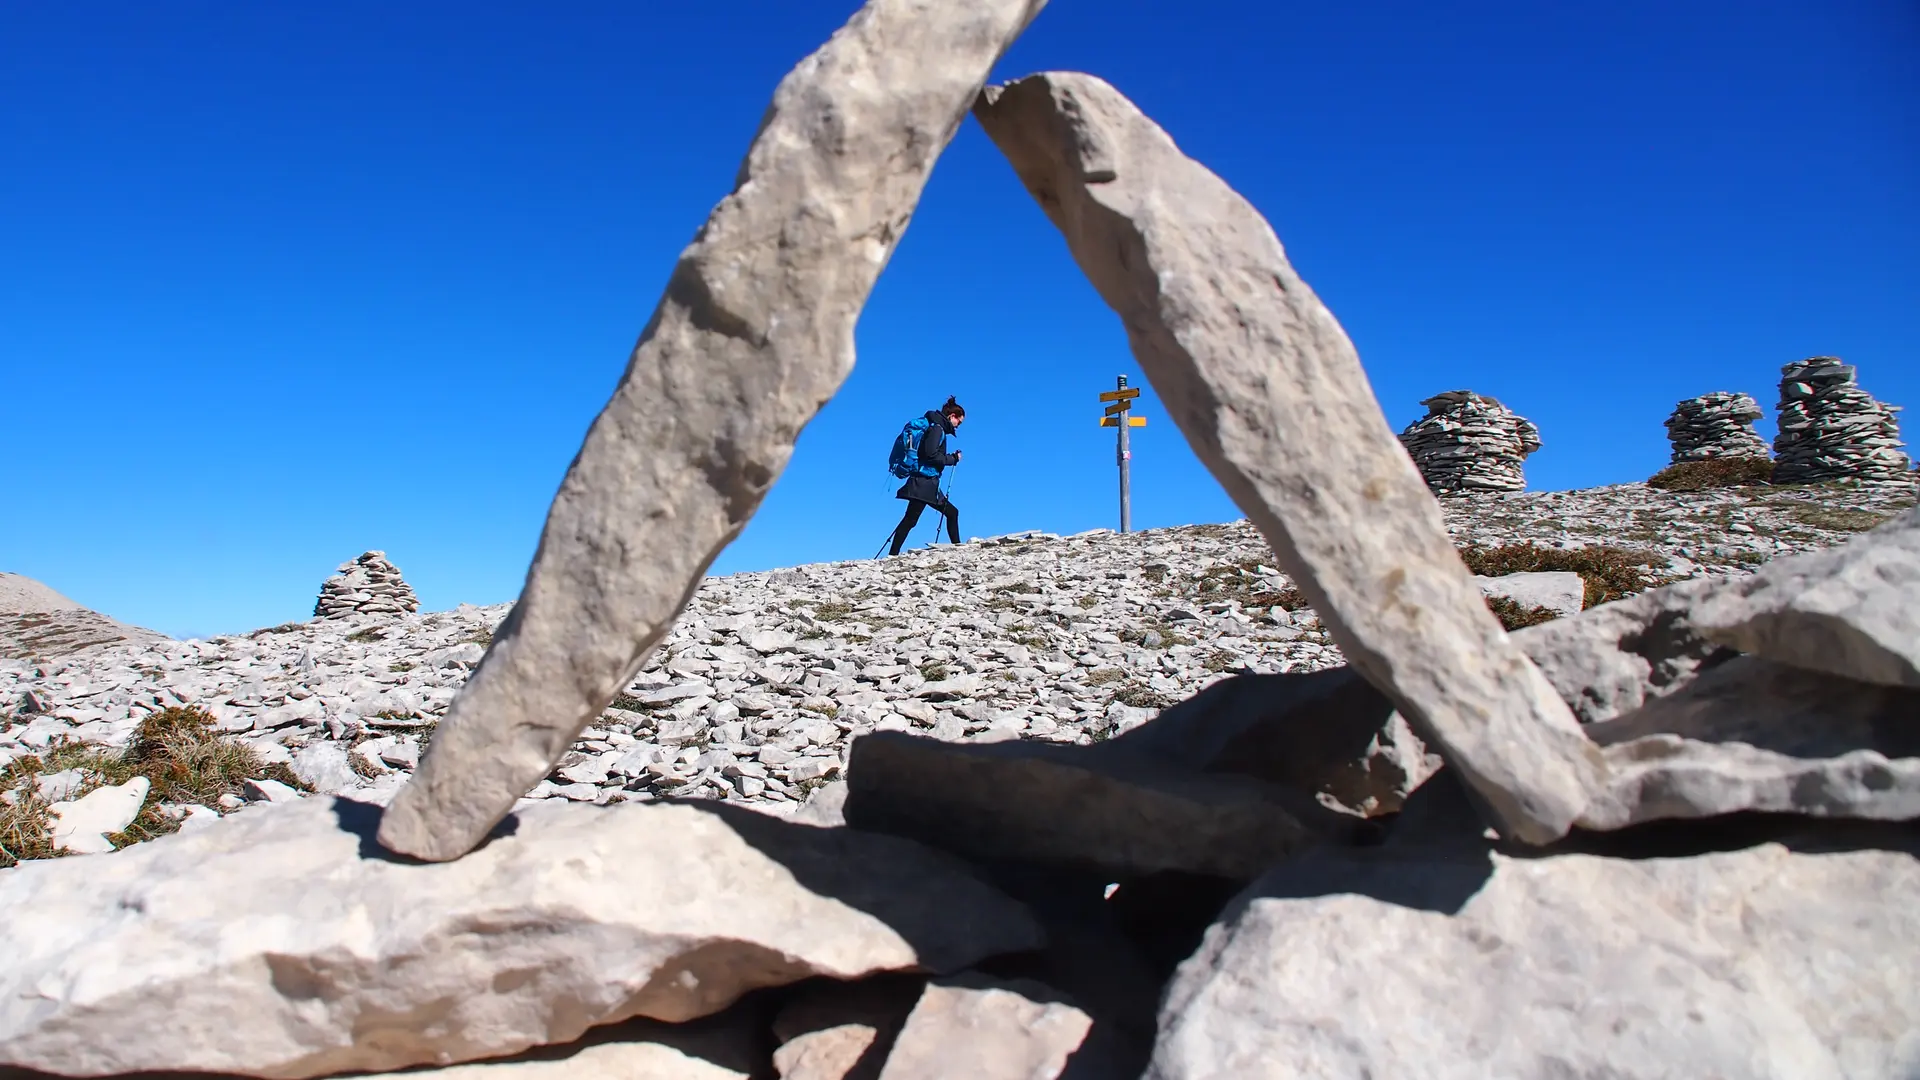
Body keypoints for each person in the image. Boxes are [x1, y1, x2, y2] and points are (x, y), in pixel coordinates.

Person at [887, 397, 965, 556]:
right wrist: (952, 459)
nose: (959, 425)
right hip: (924, 482)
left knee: (911, 519)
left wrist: (949, 458)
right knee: (948, 513)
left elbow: (930, 454)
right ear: (952, 417)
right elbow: (930, 455)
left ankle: (893, 553)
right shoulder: (938, 429)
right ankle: (959, 549)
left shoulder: (935, 426)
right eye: (959, 421)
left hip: (925, 481)